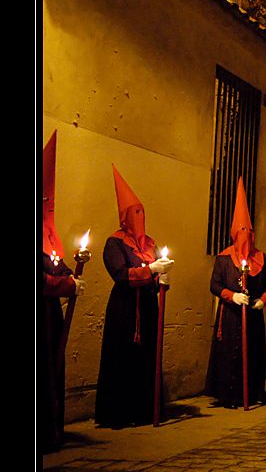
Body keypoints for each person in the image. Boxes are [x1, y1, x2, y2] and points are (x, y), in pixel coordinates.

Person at [95, 166, 175, 428]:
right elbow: (119, 273)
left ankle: (144, 410)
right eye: (135, 213)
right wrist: (149, 270)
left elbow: (155, 273)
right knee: (122, 357)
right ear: (125, 217)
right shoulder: (114, 243)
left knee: (146, 359)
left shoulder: (150, 244)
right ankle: (119, 413)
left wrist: (161, 278)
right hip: (125, 310)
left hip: (148, 309)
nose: (140, 217)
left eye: (142, 212)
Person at [206, 178, 266, 408]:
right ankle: (229, 395)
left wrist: (262, 301)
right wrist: (232, 295)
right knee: (229, 356)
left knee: (252, 354)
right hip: (230, 317)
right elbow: (214, 285)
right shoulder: (224, 258)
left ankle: (252, 392)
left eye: (249, 230)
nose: (245, 235)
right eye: (241, 230)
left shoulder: (261, 258)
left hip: (253, 316)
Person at [39, 132, 86, 452]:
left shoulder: (48, 231)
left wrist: (73, 271)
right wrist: (67, 284)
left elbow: (57, 266)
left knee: (51, 371)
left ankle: (50, 431)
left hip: (49, 314)